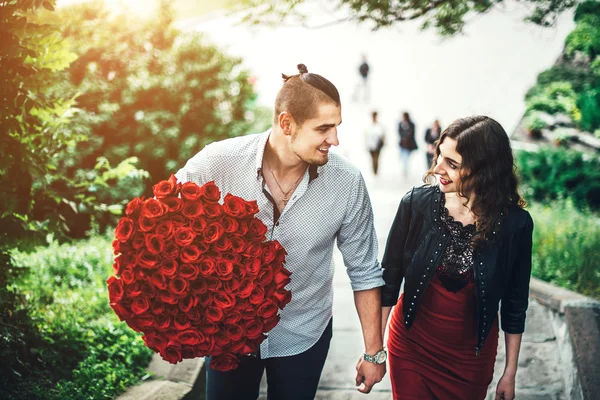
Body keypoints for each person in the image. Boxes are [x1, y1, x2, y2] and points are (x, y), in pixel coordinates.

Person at [175, 64, 387, 399]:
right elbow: (165, 227)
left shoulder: (346, 182)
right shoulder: (217, 163)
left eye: (337, 127)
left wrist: (374, 352)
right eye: (324, 129)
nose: (335, 139)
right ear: (286, 123)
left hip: (305, 332)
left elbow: (364, 270)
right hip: (228, 334)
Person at [380, 115, 534, 400]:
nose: (438, 167)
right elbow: (389, 278)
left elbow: (515, 303)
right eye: (440, 155)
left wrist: (510, 372)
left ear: (483, 170)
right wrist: (374, 351)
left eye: (452, 164)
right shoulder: (416, 204)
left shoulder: (516, 225)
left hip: (470, 362)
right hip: (411, 349)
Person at [365, 111, 385, 175]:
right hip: (370, 146)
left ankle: (375, 171)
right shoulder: (369, 126)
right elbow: (366, 136)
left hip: (377, 146)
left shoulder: (379, 126)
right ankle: (374, 171)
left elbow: (382, 135)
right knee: (373, 159)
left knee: (375, 159)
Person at [398, 112, 417, 177]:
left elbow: (412, 133)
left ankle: (405, 168)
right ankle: (404, 168)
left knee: (407, 157)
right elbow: (399, 132)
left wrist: (407, 138)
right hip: (402, 144)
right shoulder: (400, 123)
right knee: (403, 157)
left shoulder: (411, 124)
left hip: (409, 145)